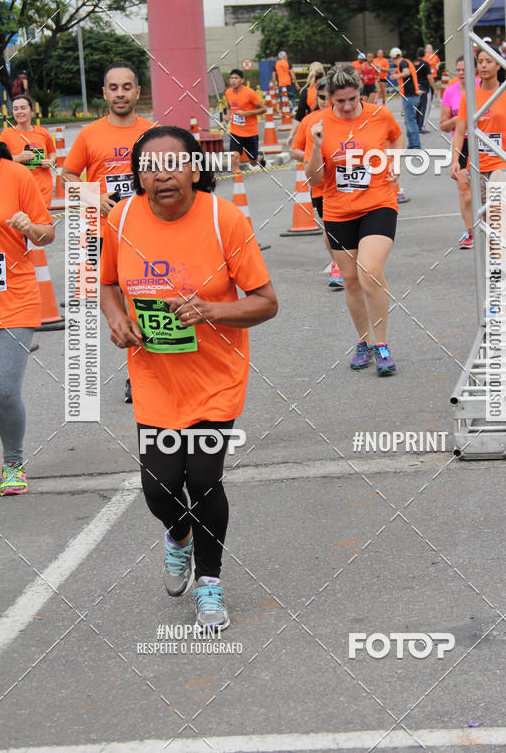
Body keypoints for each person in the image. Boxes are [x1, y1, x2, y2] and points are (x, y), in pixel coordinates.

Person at [100, 125, 277, 630]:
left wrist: (212, 310)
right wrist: (116, 319)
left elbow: (266, 304)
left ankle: (211, 584)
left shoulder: (226, 220)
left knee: (201, 477)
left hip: (214, 378)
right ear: (138, 177)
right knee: (159, 487)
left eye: (172, 165)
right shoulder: (123, 218)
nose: (161, 177)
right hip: (155, 377)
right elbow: (108, 284)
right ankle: (178, 535)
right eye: (149, 169)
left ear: (196, 170)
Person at [62, 61, 154, 404]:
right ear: (104, 93)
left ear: (137, 92)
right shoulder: (89, 134)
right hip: (103, 234)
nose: (120, 93)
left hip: (145, 232)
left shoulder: (152, 133)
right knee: (115, 306)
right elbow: (68, 177)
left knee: (143, 299)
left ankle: (141, 372)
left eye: (126, 87)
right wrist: (94, 196)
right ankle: (136, 365)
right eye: (113, 88)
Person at [305, 65, 404, 376]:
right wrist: (318, 146)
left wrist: (395, 163)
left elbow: (397, 138)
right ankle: (363, 342)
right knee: (349, 280)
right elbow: (313, 179)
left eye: (352, 99)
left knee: (370, 271)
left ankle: (382, 345)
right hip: (337, 210)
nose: (347, 106)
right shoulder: (318, 124)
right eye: (340, 101)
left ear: (361, 93)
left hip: (378, 204)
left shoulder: (379, 115)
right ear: (329, 99)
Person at [0, 142, 55, 495]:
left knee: (2, 389)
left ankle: (13, 463)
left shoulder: (16, 174)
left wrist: (29, 226)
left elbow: (48, 233)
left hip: (14, 297)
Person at [451, 49, 506, 215]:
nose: (483, 65)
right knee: (485, 218)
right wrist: (455, 160)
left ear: (498, 65)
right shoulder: (469, 96)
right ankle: (494, 240)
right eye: (480, 61)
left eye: (489, 61)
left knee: (498, 213)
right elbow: (460, 133)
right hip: (478, 165)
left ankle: (504, 238)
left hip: (503, 162)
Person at [290, 77, 343, 288]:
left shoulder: (344, 117)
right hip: (320, 185)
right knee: (329, 227)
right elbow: (294, 150)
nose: (324, 101)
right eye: (321, 97)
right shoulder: (309, 120)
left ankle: (348, 262)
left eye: (328, 97)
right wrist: (313, 156)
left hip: (345, 182)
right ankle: (338, 263)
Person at [0, 95, 56, 208]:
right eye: (15, 109)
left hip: (42, 189)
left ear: (32, 111)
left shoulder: (43, 132)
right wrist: (18, 158)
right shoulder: (6, 135)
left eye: (23, 108)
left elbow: (52, 153)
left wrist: (51, 161)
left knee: (42, 224)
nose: (19, 112)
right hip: (18, 190)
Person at [441, 56, 474, 249]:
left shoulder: (480, 87)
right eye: (459, 70)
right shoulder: (450, 91)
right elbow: (444, 125)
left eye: (465, 69)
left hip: (482, 142)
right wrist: (459, 119)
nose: (462, 73)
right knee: (464, 190)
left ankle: (487, 227)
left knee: (485, 190)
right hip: (461, 142)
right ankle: (470, 231)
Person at [224, 69, 267, 171]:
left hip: (250, 133)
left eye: (236, 78)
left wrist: (246, 113)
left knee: (253, 162)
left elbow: (264, 109)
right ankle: (237, 185)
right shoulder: (228, 92)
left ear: (242, 80)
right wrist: (228, 115)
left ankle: (259, 157)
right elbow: (230, 106)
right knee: (234, 157)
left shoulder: (249, 93)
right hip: (235, 132)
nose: (233, 80)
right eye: (231, 78)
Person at [287, 61, 325, 148]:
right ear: (323, 73)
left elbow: (299, 116)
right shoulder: (330, 88)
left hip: (312, 128)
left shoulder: (306, 91)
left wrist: (292, 134)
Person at [389, 47, 421, 150]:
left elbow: (406, 72)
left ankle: (415, 145)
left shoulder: (402, 63)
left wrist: (397, 76)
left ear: (393, 57)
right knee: (409, 121)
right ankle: (412, 145)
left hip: (410, 96)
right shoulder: (405, 62)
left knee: (411, 121)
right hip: (411, 95)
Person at [414, 47, 436, 133]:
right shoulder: (425, 64)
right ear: (424, 54)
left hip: (416, 87)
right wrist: (434, 88)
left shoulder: (413, 63)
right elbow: (429, 77)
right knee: (425, 107)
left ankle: (416, 125)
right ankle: (422, 126)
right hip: (424, 87)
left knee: (417, 107)